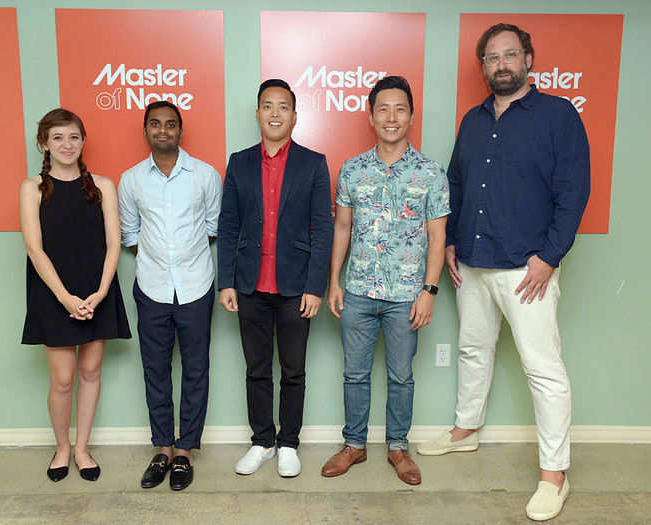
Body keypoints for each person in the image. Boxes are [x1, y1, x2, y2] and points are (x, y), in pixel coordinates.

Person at [416, 23, 590, 521]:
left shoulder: (559, 116)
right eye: (492, 58)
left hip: (527, 269)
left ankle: (554, 475)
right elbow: (455, 182)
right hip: (471, 262)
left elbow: (574, 192)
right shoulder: (473, 120)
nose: (501, 64)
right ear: (484, 67)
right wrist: (449, 241)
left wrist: (549, 257)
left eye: (510, 55)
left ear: (529, 59)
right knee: (473, 349)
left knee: (544, 370)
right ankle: (465, 431)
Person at [321, 76, 450, 485]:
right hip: (358, 291)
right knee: (354, 375)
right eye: (383, 109)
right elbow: (341, 228)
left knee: (401, 376)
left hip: (406, 296)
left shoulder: (431, 173)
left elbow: (437, 236)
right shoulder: (352, 170)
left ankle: (398, 448)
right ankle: (353, 446)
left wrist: (429, 291)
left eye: (399, 109)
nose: (391, 117)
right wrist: (334, 282)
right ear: (371, 115)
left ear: (411, 115)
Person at [217, 79, 333, 478]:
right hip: (249, 285)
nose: (275, 113)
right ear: (257, 114)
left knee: (294, 369)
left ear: (295, 116)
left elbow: (323, 229)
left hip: (295, 287)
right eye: (267, 106)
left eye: (283, 106)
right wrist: (226, 281)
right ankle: (262, 441)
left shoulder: (314, 164)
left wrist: (315, 286)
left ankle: (289, 442)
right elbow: (228, 225)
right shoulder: (239, 162)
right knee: (256, 368)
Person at [20, 108, 131, 483]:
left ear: (83, 141)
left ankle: (82, 448)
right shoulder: (31, 188)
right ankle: (62, 448)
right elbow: (35, 249)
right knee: (63, 379)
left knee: (90, 371)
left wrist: (99, 293)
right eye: (57, 138)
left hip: (96, 289)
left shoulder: (103, 185)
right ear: (44, 144)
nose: (67, 144)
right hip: (54, 292)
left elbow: (114, 243)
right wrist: (66, 298)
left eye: (73, 137)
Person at [118, 100, 222, 491]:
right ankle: (162, 449)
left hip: (196, 285)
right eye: (156, 124)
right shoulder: (131, 180)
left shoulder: (205, 175)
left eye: (171, 125)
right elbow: (130, 235)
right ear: (146, 130)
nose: (163, 130)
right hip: (151, 287)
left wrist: (183, 258)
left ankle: (185, 453)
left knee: (196, 369)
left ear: (181, 130)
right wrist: (160, 261)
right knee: (155, 370)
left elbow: (213, 227)